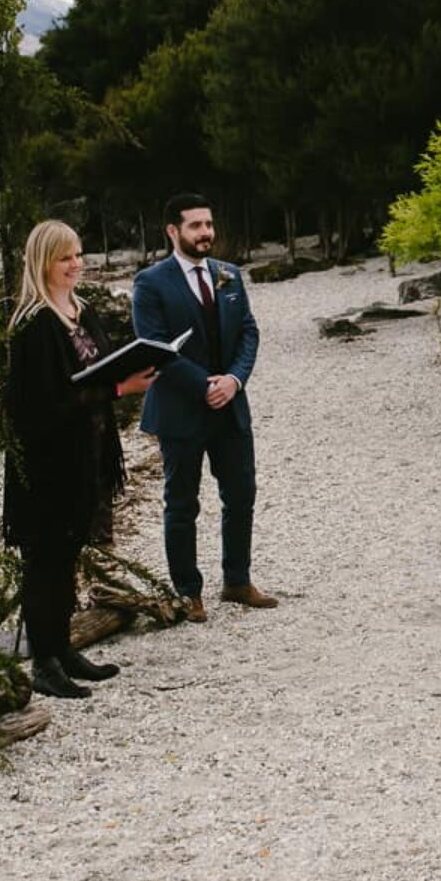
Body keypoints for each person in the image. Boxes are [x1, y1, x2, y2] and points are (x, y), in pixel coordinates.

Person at [4, 219, 157, 700]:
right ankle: (44, 662)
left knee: (68, 553)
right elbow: (41, 405)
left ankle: (63, 647)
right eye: (64, 257)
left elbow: (101, 366)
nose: (75, 264)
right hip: (48, 465)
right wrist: (117, 388)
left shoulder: (80, 311)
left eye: (78, 254)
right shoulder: (33, 325)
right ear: (42, 263)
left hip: (86, 454)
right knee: (44, 560)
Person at [130, 193, 273, 622]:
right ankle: (188, 592)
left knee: (241, 495)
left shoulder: (230, 275)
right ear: (173, 231)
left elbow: (248, 332)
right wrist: (203, 385)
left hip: (230, 404)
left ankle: (237, 581)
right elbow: (152, 347)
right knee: (181, 503)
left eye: (208, 224)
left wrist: (233, 380)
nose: (205, 232)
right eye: (195, 225)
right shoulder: (150, 282)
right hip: (180, 409)